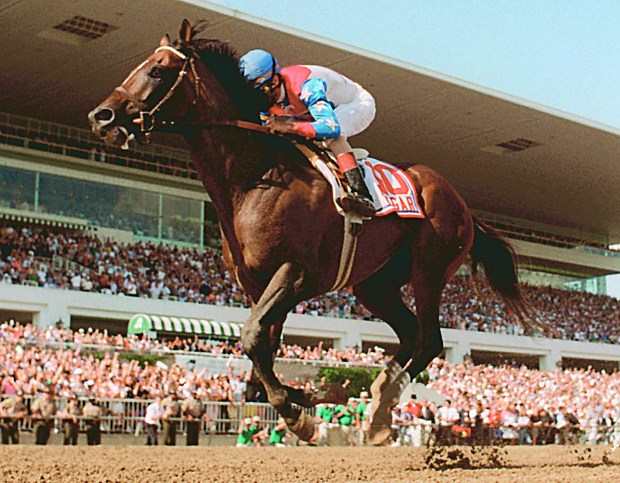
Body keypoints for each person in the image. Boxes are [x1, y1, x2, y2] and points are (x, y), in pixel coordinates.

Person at [239, 49, 377, 217]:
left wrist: (290, 128)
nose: (261, 97)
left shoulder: (307, 85)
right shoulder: (266, 97)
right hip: (309, 112)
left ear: (275, 79)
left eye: (263, 89)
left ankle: (361, 192)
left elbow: (330, 126)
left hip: (356, 104)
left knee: (330, 137)